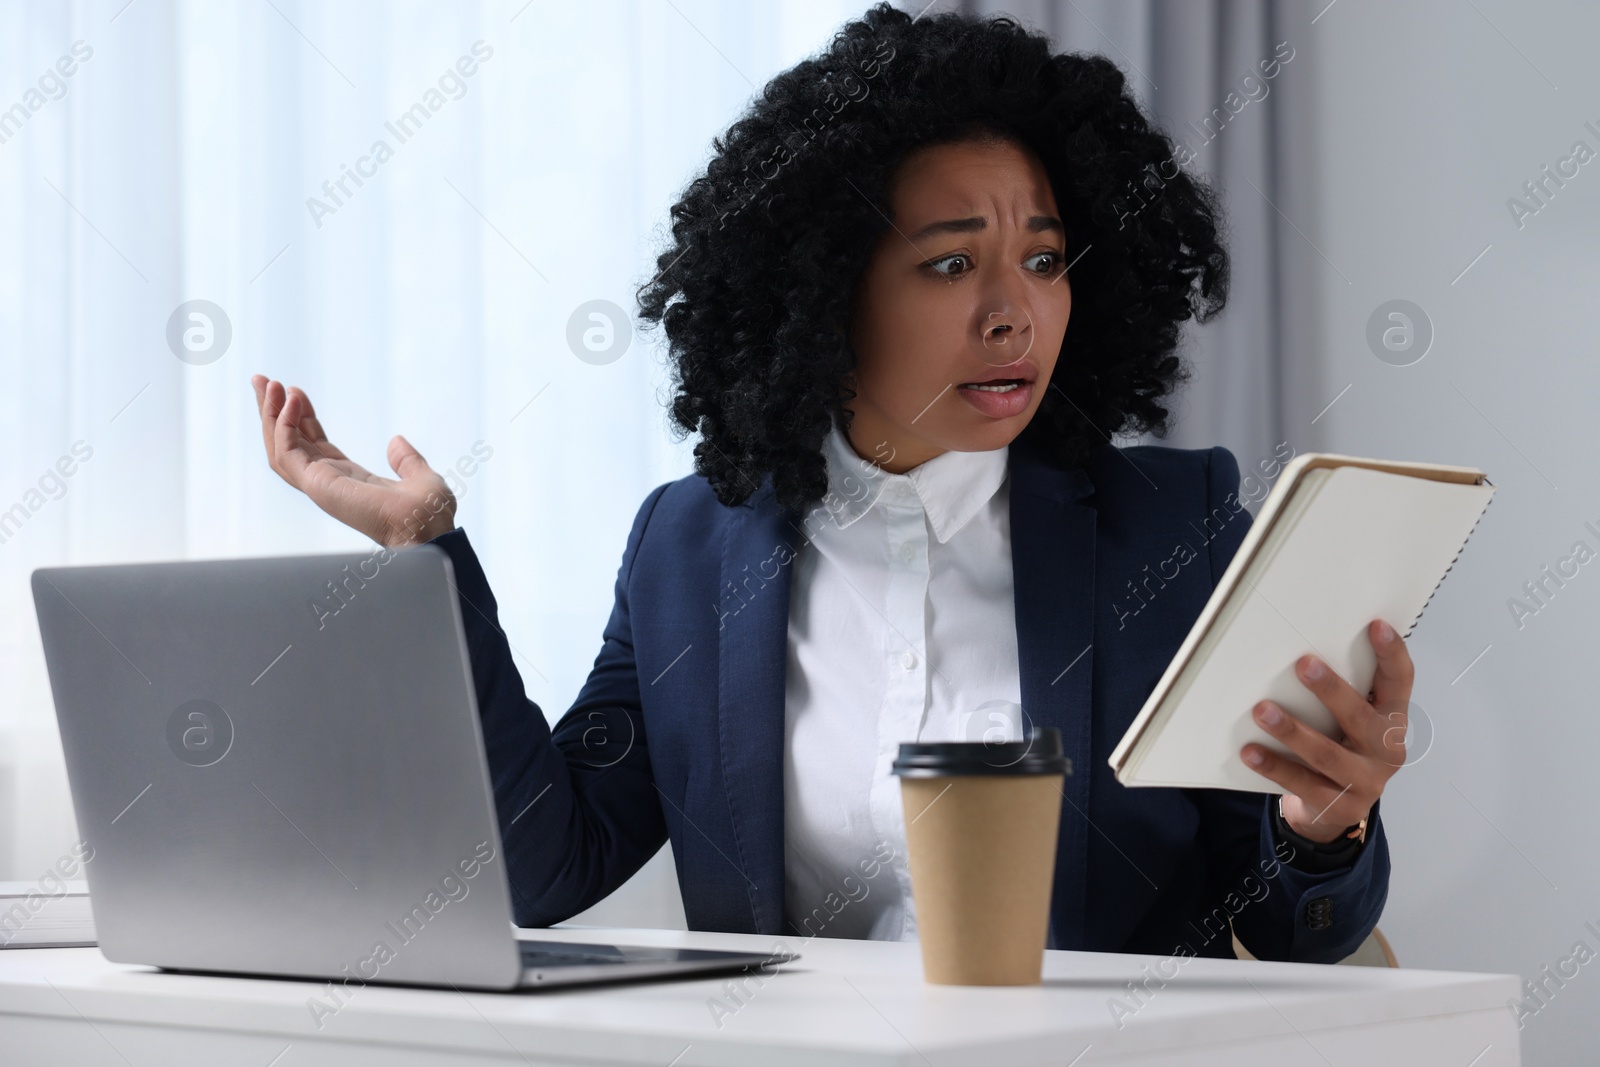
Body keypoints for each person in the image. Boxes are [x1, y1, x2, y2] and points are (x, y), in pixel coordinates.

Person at [251, 2, 1405, 962]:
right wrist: (427, 552)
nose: (1014, 311)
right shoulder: (689, 545)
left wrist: (1322, 827)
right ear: (825, 292)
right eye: (952, 263)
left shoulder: (1173, 523)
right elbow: (547, 866)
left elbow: (1291, 932)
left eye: (1045, 260)